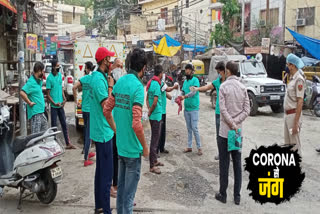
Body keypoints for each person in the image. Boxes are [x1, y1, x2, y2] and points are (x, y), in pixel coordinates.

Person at [104, 48, 149, 214]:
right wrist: (145, 148)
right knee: (128, 198)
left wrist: (116, 130)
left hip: (121, 147)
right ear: (143, 68)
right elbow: (137, 124)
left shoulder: (120, 82)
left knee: (122, 194)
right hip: (132, 151)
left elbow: (106, 111)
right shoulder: (138, 87)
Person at [215, 61, 250, 205]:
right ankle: (237, 196)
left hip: (225, 132)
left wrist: (231, 123)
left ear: (228, 71)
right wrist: (236, 124)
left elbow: (222, 111)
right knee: (236, 162)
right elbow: (247, 110)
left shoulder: (223, 87)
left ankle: (223, 194)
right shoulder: (243, 88)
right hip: (236, 133)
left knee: (224, 163)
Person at [91, 47, 115, 214]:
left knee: (100, 172)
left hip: (100, 131)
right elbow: (106, 107)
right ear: (105, 60)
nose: (111, 62)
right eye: (110, 59)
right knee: (106, 175)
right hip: (104, 132)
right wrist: (111, 87)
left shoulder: (97, 77)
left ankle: (99, 205)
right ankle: (106, 210)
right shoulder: (100, 81)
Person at [192, 61, 226, 160]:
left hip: (227, 112)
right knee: (219, 134)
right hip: (219, 112)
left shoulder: (228, 81)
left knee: (228, 134)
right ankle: (221, 153)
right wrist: (197, 89)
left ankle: (229, 153)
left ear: (223, 71)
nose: (218, 74)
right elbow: (207, 87)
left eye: (219, 72)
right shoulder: (218, 81)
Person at [46, 60, 76, 149]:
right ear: (53, 67)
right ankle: (54, 145)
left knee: (64, 124)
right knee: (54, 126)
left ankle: (68, 143)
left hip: (60, 106)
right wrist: (53, 102)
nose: (59, 67)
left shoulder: (60, 76)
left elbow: (61, 88)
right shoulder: (49, 78)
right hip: (54, 106)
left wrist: (64, 98)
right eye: (57, 66)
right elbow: (48, 94)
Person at [73, 61, 96, 166]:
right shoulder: (94, 79)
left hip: (85, 109)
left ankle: (87, 151)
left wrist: (75, 100)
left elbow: (74, 87)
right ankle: (86, 157)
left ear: (86, 68)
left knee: (87, 132)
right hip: (91, 110)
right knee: (88, 134)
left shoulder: (85, 79)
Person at [284, 53, 305, 154]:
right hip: (288, 116)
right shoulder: (292, 78)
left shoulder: (299, 79)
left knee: (294, 146)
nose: (287, 67)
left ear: (293, 65)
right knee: (288, 145)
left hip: (293, 116)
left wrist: (296, 123)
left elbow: (300, 101)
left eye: (288, 64)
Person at [179, 64, 202, 155]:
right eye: (186, 69)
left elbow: (193, 92)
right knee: (189, 128)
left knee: (194, 128)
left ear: (192, 71)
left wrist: (185, 96)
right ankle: (189, 147)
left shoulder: (195, 80)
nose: (187, 71)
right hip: (187, 109)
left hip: (194, 108)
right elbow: (183, 91)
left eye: (189, 69)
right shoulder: (185, 82)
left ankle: (199, 147)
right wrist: (180, 95)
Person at [20, 62, 48, 134]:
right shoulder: (31, 82)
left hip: (41, 111)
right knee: (36, 136)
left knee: (44, 132)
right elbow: (22, 92)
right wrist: (29, 102)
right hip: (35, 113)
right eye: (42, 71)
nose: (43, 72)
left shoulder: (37, 80)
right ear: (39, 70)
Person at [146, 64, 164, 174]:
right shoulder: (157, 85)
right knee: (154, 140)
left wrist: (148, 109)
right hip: (156, 115)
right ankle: (152, 165)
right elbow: (155, 101)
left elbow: (147, 98)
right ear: (160, 73)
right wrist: (151, 110)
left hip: (153, 115)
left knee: (155, 138)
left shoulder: (151, 83)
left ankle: (155, 160)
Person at [158, 74, 179, 154]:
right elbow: (168, 90)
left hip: (163, 111)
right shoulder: (159, 83)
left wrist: (174, 99)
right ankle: (157, 151)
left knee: (163, 131)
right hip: (159, 111)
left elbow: (165, 94)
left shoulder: (161, 83)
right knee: (159, 131)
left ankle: (162, 148)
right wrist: (174, 87)